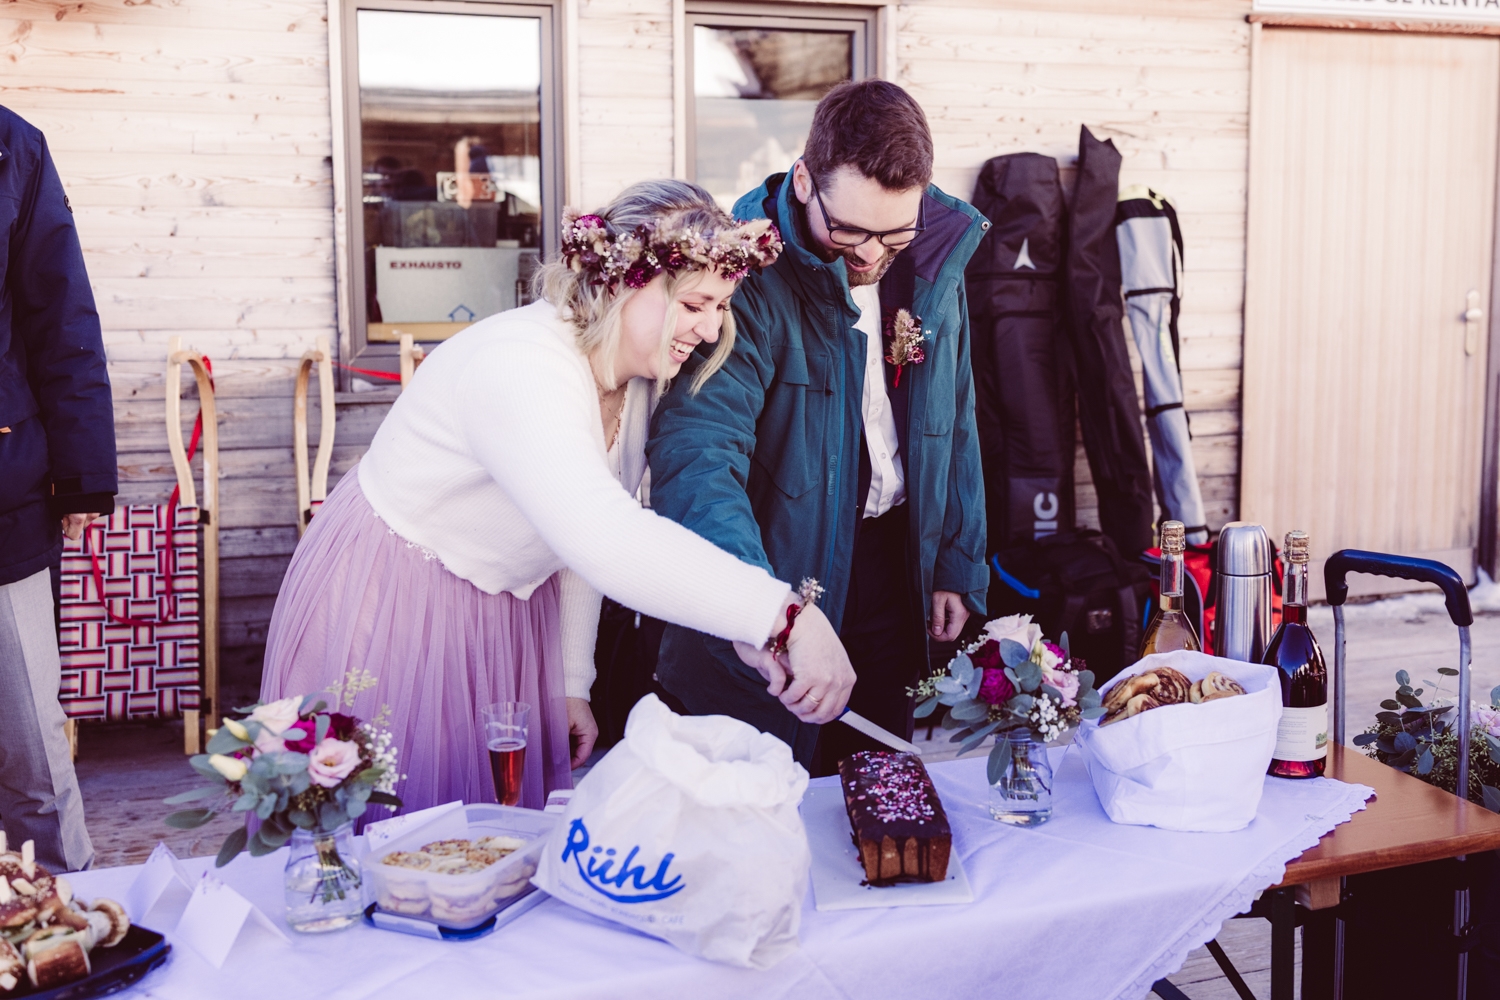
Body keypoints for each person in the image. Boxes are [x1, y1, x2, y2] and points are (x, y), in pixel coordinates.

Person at [261, 180, 855, 813]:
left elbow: (574, 539)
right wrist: (781, 616)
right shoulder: (522, 363)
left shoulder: (638, 378)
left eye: (721, 309)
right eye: (696, 305)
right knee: (377, 825)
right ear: (628, 282)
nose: (710, 331)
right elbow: (599, 534)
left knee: (484, 835)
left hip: (509, 609)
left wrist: (572, 680)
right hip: (395, 596)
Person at [647, 81, 989, 773]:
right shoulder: (745, 275)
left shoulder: (933, 261)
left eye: (893, 233)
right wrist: (762, 607)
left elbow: (955, 416)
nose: (868, 255)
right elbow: (699, 453)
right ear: (804, 180)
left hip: (895, 565)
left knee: (876, 790)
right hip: (780, 562)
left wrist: (956, 559)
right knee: (765, 793)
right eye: (849, 231)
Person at [0, 106, 115, 873]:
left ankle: (69, 928)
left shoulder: (13, 148)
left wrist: (80, 480)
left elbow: (60, 314)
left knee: (31, 750)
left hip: (3, 506)